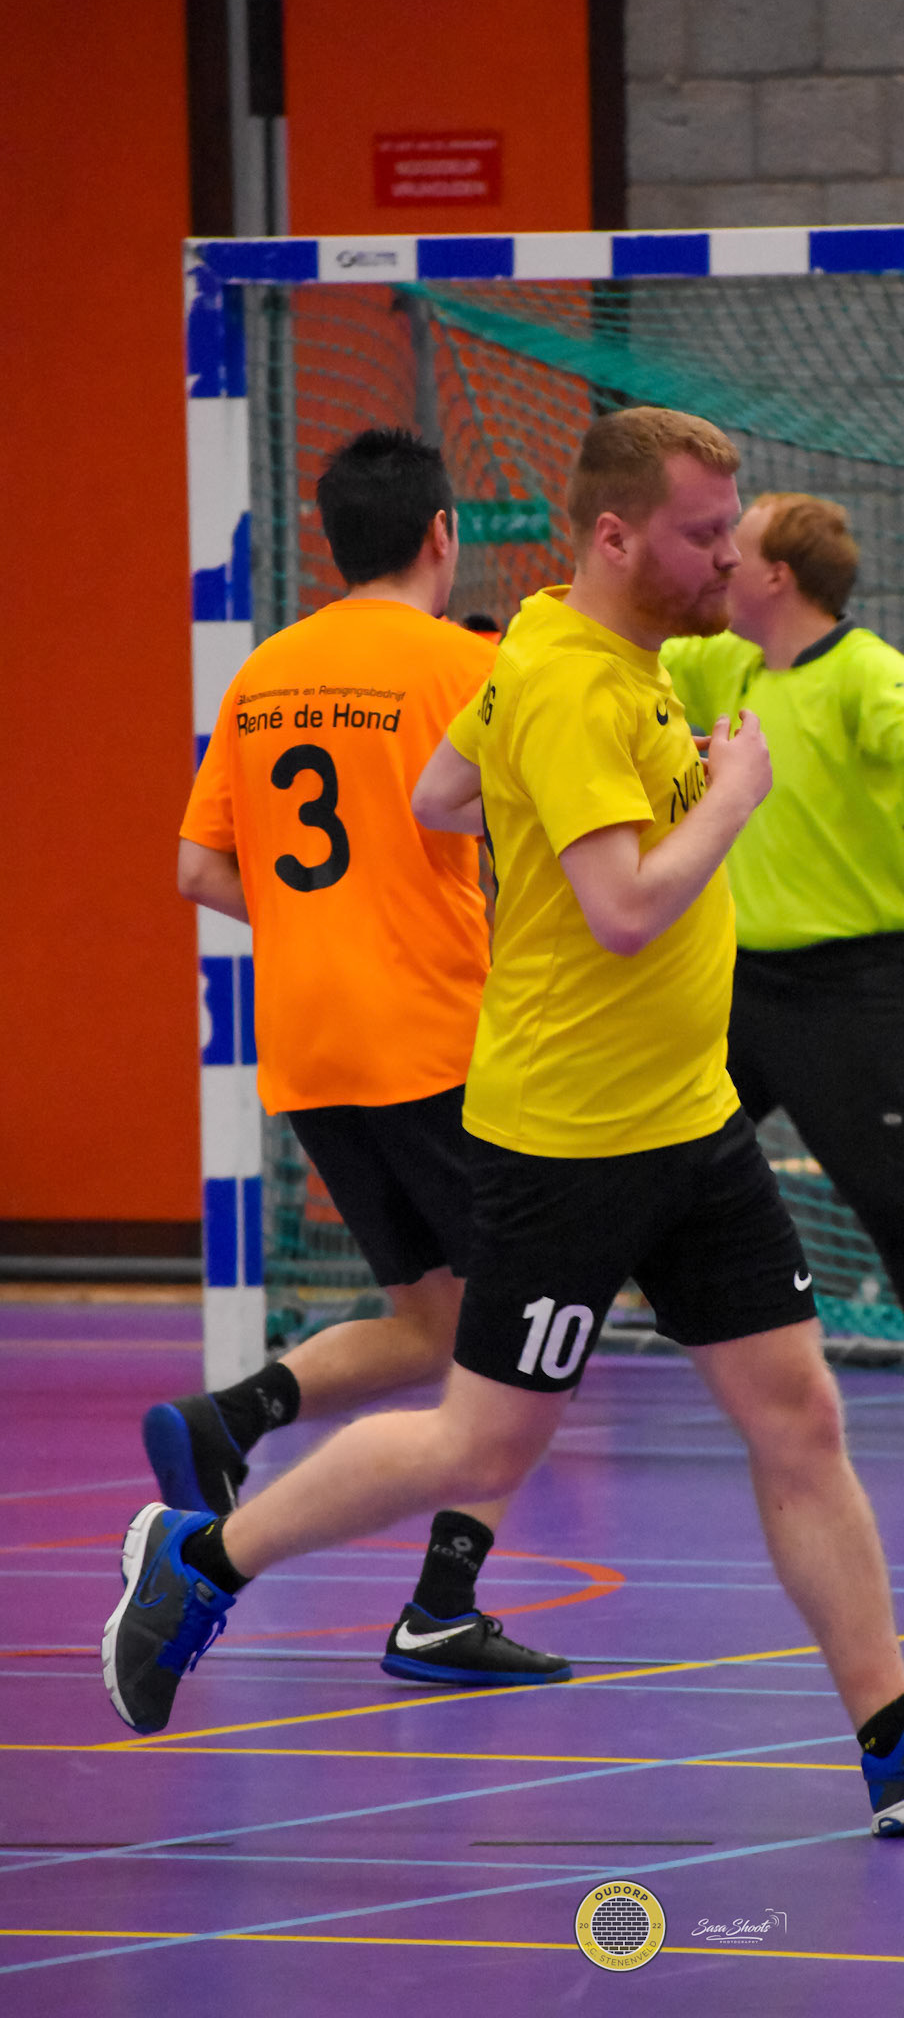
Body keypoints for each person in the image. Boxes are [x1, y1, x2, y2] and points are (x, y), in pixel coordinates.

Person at [104, 407, 904, 1838]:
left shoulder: (584, 646)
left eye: (732, 528)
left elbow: (439, 792)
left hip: (691, 1122)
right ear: (615, 537)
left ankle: (895, 1738)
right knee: (477, 1448)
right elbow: (619, 910)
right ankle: (204, 1561)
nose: (729, 556)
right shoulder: (566, 679)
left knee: (800, 1417)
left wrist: (530, 800)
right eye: (702, 533)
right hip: (573, 1142)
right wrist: (731, 797)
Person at [148, 427, 568, 1688]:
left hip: (310, 1046)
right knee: (535, 1328)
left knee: (433, 1320)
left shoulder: (266, 669)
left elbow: (196, 867)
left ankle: (230, 1416)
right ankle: (442, 1604)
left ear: (332, 539)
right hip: (439, 1039)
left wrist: (318, 926)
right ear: (444, 531)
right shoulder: (463, 666)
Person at [663, 494, 904, 1454]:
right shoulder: (719, 664)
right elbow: (616, 653)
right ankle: (529, 1372)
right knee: (640, 1171)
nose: (722, 561)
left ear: (777, 577)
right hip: (729, 985)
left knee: (894, 1203)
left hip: (846, 995)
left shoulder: (864, 671)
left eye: (738, 548)